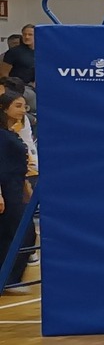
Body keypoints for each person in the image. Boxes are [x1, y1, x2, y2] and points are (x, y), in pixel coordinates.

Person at [0, 87, 31, 290]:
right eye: (18, 106)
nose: (23, 110)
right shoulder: (2, 135)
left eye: (24, 106)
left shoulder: (13, 131)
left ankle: (8, 278)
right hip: (6, 188)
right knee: (23, 232)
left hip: (16, 185)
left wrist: (26, 187)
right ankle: (9, 279)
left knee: (10, 233)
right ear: (4, 108)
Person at [0, 24, 33, 89]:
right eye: (24, 34)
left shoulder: (41, 52)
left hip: (35, 86)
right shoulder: (13, 52)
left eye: (30, 34)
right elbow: (3, 74)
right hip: (16, 87)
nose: (27, 37)